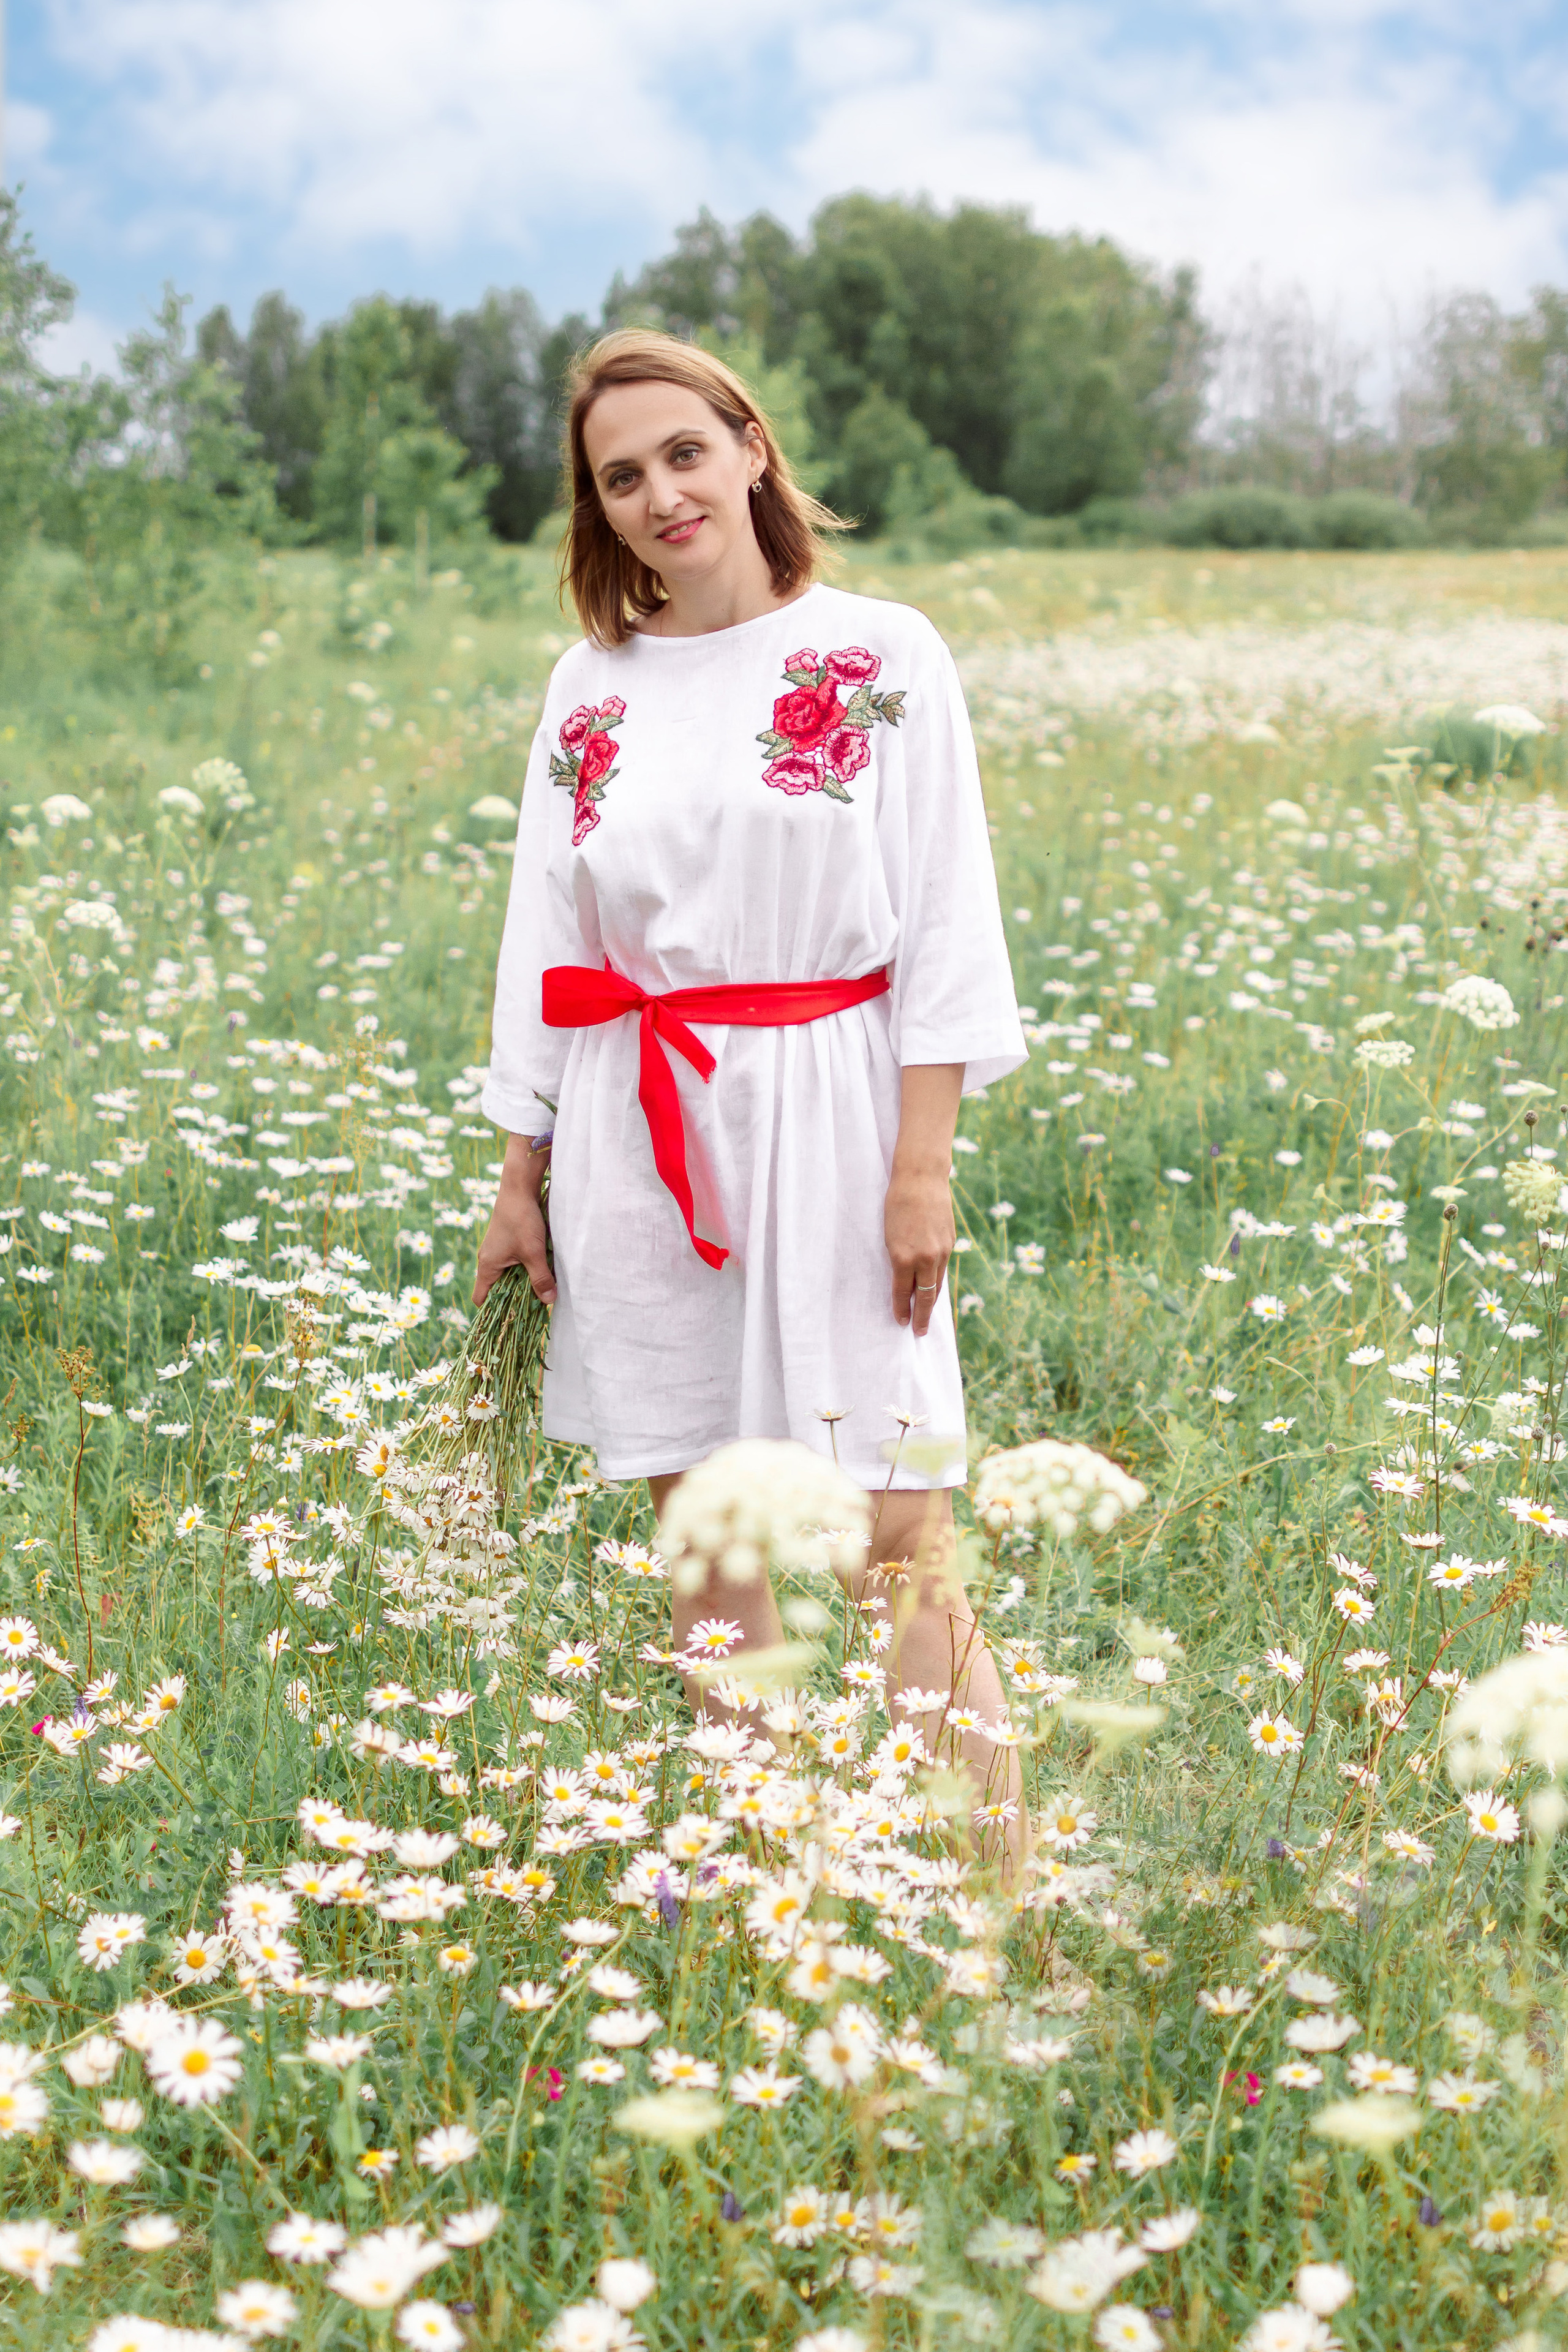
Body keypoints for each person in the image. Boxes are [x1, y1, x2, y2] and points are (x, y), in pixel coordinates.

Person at [475, 329, 1029, 1866]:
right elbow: (545, 936)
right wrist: (519, 1173)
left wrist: (923, 1167)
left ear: (749, 447)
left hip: (838, 1113)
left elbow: (945, 917)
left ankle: (1001, 1903)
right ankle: (762, 1904)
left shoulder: (881, 653)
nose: (660, 494)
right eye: (620, 476)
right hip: (634, 1129)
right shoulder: (591, 685)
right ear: (599, 507)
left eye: (682, 453)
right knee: (707, 1539)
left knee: (898, 1538)